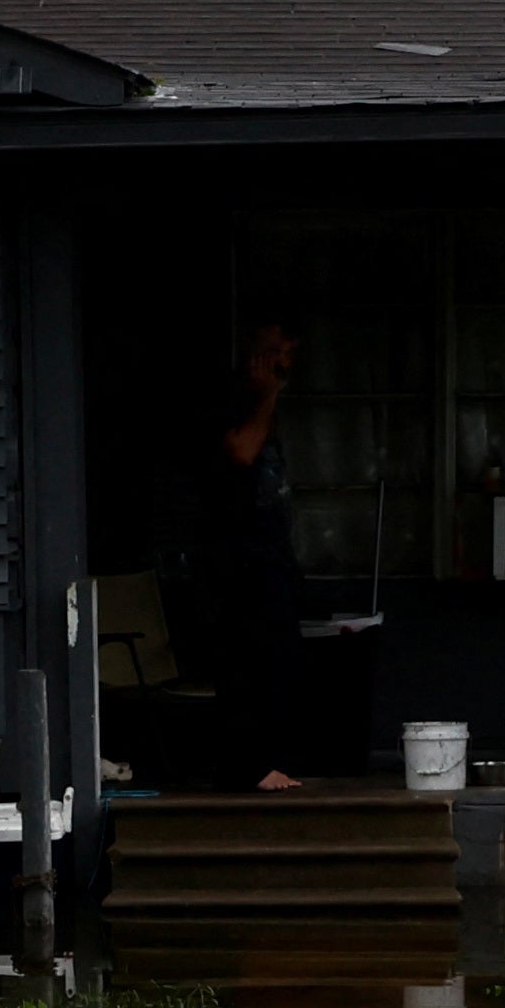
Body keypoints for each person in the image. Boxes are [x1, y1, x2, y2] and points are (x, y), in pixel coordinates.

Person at [188, 322, 313, 790]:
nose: (285, 362)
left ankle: (269, 761)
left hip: (270, 556)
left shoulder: (267, 403)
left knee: (281, 661)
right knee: (247, 663)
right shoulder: (229, 399)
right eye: (277, 351)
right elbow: (240, 451)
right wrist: (267, 397)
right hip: (235, 561)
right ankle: (250, 767)